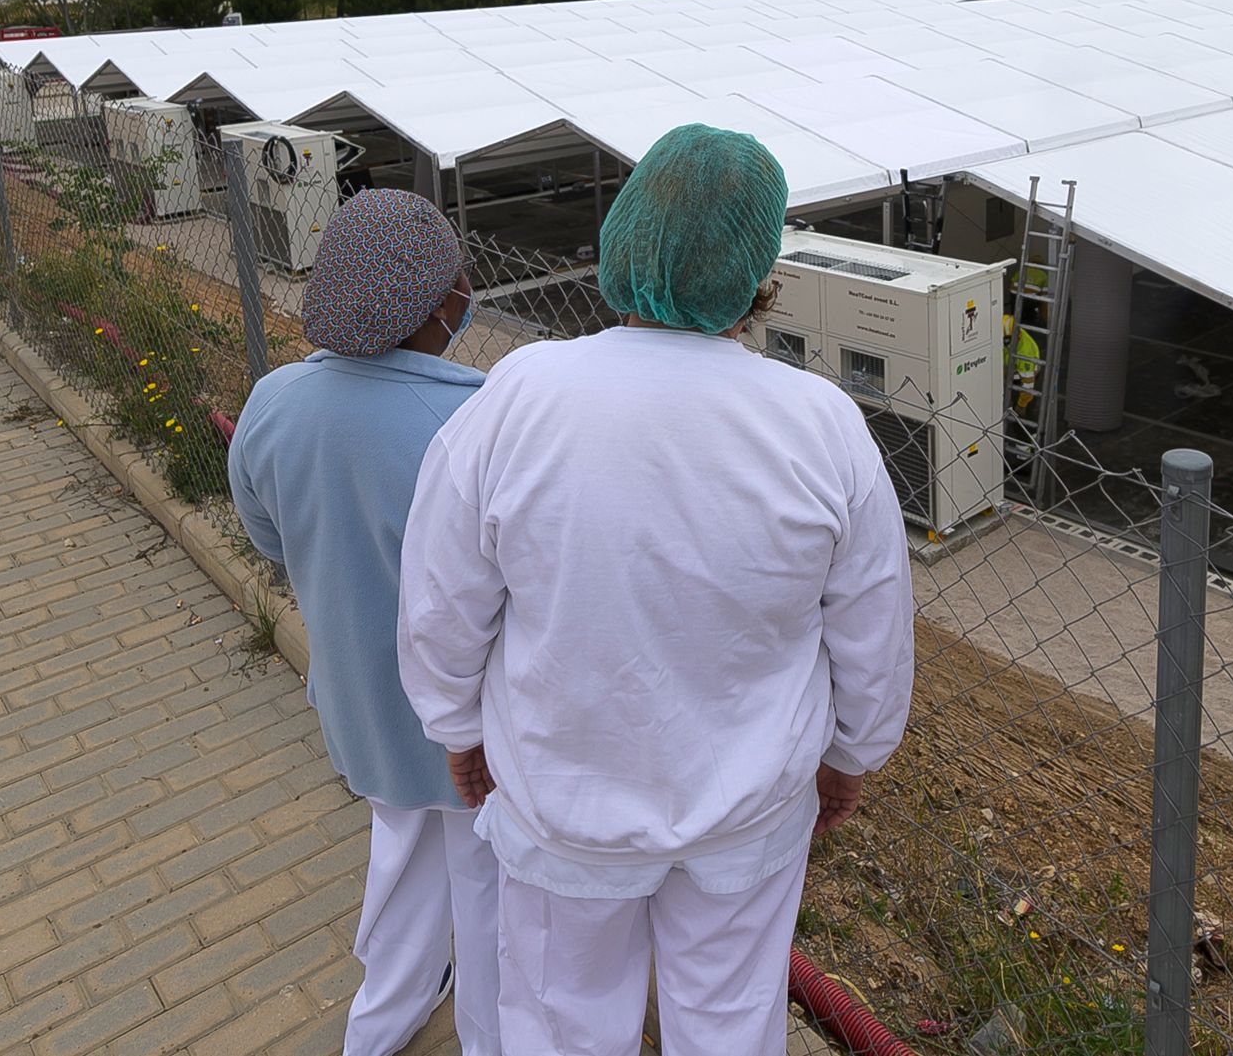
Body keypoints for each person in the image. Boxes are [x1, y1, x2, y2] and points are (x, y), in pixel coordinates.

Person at [397, 123, 914, 1056]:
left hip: (561, 806)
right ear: (760, 271)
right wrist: (850, 753)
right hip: (747, 818)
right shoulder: (821, 425)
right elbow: (872, 630)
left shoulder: (519, 395)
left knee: (557, 1020)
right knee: (727, 1022)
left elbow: (441, 601)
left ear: (621, 238)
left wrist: (457, 728)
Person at [227, 189, 500, 1055]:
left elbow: (267, 534)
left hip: (356, 700)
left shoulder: (274, 401)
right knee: (487, 888)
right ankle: (491, 1033)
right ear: (440, 304)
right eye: (458, 280)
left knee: (402, 860)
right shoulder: (479, 417)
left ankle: (382, 1020)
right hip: (474, 727)